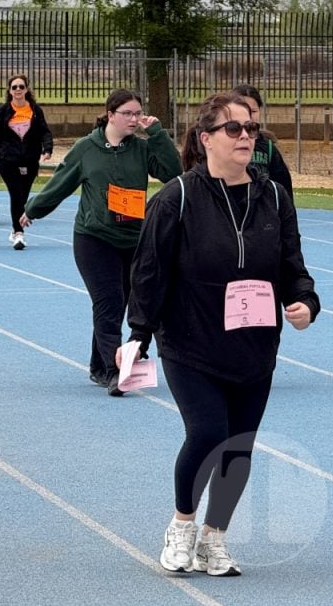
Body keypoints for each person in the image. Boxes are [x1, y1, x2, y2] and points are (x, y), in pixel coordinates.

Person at [126, 93, 319, 577]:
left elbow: (293, 266)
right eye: (234, 129)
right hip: (189, 338)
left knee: (239, 445)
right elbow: (149, 271)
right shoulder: (177, 197)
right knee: (208, 432)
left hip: (254, 342)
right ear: (205, 138)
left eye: (252, 129)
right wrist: (138, 334)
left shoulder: (273, 196)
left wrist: (305, 302)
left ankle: (215, 537)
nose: (246, 137)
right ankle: (182, 526)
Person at [21, 88, 180, 394]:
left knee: (127, 303)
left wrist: (157, 133)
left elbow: (174, 173)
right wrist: (33, 210)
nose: (134, 120)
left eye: (138, 114)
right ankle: (112, 370)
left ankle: (98, 364)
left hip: (134, 239)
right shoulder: (86, 148)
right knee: (108, 302)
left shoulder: (142, 149)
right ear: (111, 115)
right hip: (94, 239)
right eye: (128, 114)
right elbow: (61, 183)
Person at [0, 74, 54, 250]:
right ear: (9, 91)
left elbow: (45, 132)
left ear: (26, 90)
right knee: (16, 194)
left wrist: (47, 149)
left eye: (21, 87)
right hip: (8, 159)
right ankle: (18, 233)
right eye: (14, 87)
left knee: (23, 196)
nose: (18, 90)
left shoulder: (35, 111)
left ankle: (17, 228)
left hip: (30, 159)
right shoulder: (1, 112)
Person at [230, 84, 293, 197]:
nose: (249, 115)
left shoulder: (268, 148)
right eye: (244, 109)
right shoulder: (222, 144)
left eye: (253, 111)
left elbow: (284, 189)